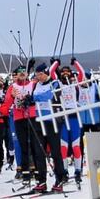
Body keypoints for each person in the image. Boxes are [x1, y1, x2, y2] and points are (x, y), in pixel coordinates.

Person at [0, 65, 43, 189]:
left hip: (32, 117)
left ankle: (37, 173)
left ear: (27, 73)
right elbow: (6, 104)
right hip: (19, 119)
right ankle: (25, 174)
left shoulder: (33, 84)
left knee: (35, 145)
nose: (22, 73)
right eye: (19, 72)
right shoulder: (12, 87)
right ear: (16, 75)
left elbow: (39, 97)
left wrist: (31, 100)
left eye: (24, 71)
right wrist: (12, 97)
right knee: (23, 146)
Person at [32, 61, 67, 191]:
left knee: (55, 151)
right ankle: (41, 181)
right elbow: (33, 96)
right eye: (37, 75)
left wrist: (35, 98)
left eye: (41, 74)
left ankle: (60, 178)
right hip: (39, 120)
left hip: (53, 121)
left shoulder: (55, 83)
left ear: (46, 72)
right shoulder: (36, 85)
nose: (39, 77)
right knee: (39, 151)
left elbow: (50, 95)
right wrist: (28, 100)